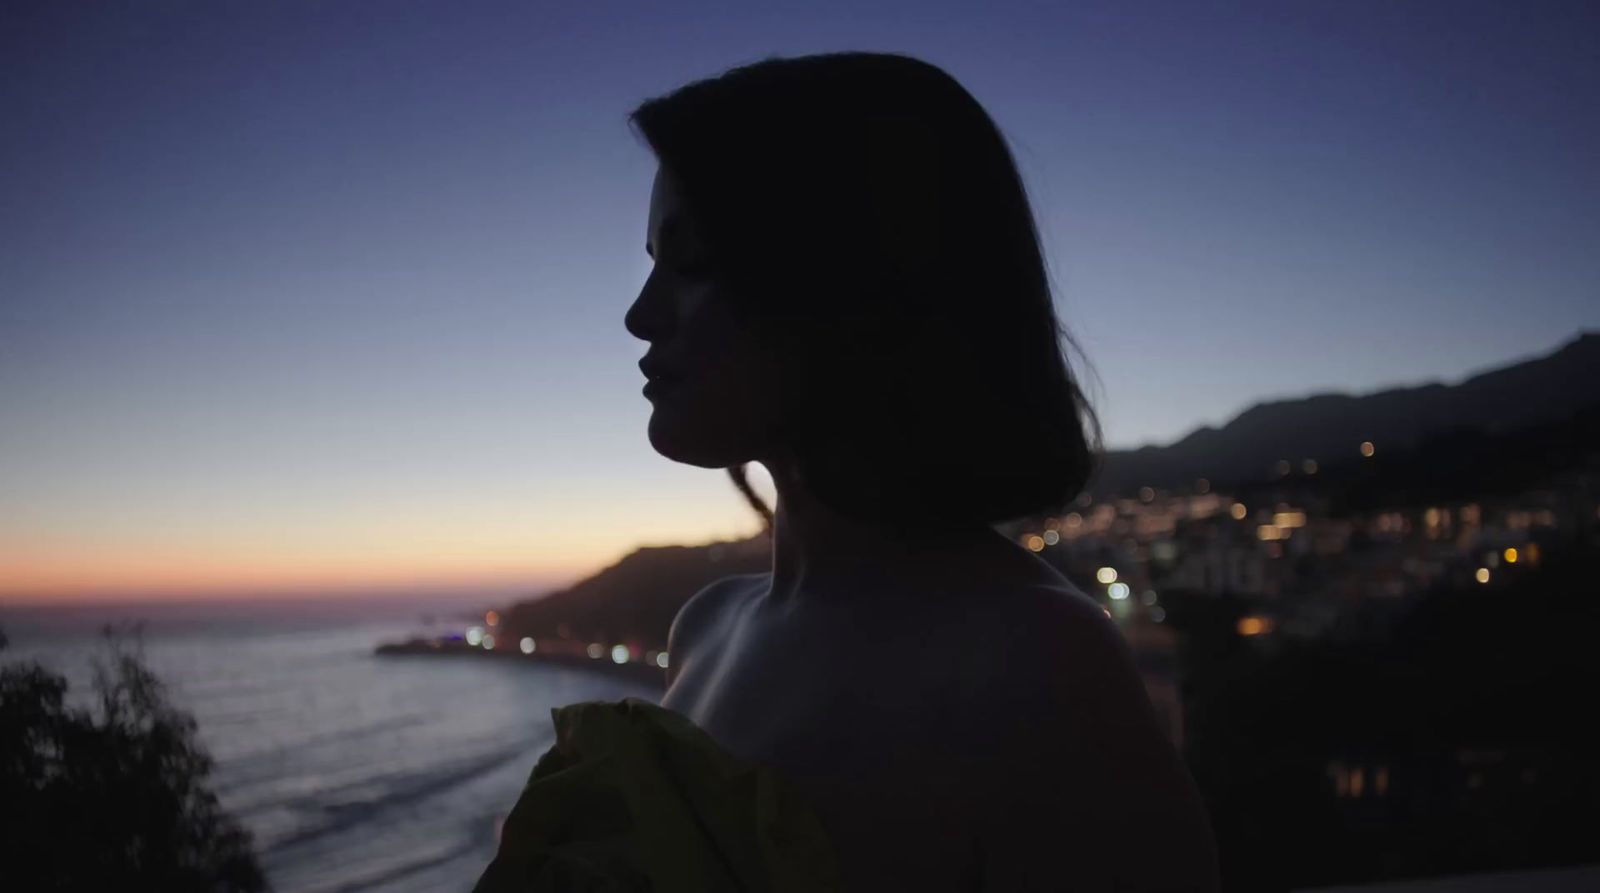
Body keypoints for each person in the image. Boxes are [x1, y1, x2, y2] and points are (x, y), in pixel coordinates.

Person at [623, 51, 1219, 891]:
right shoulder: (706, 627)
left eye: (691, 264)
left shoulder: (1033, 664)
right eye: (650, 263)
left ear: (845, 280)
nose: (639, 315)